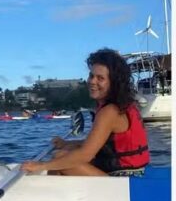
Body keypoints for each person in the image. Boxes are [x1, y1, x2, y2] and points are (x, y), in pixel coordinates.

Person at [21, 48, 150, 176]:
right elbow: (101, 144)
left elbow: (85, 155)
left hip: (123, 178)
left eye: (100, 78)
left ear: (114, 83)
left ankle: (53, 194)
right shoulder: (121, 105)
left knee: (59, 159)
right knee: (61, 153)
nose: (92, 81)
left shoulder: (110, 111)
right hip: (132, 171)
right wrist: (67, 144)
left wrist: (41, 166)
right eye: (91, 76)